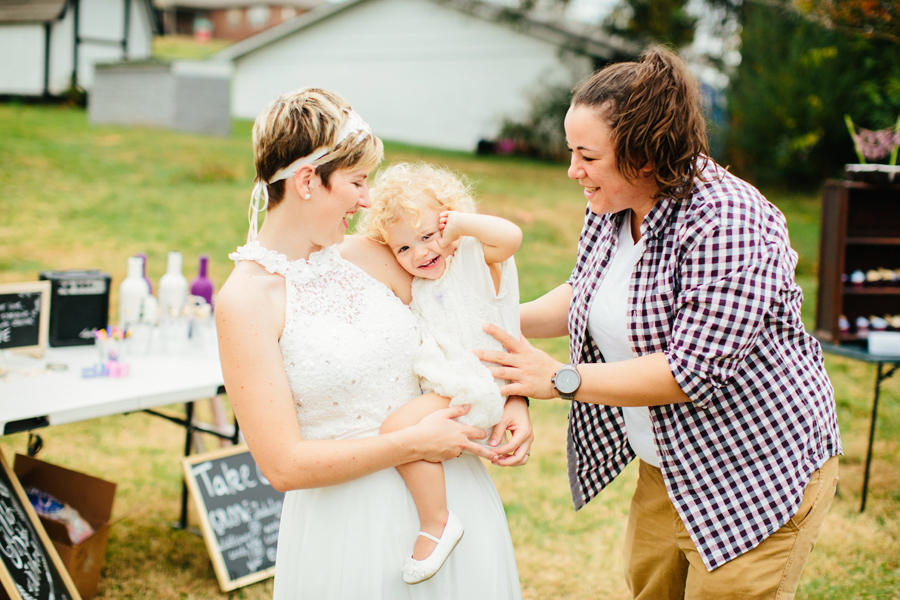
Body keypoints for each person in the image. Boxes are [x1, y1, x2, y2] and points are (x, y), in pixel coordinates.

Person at [475, 46, 842, 599]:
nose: (573, 170)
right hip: (667, 467)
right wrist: (493, 320)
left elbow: (689, 372)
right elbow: (586, 293)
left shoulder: (727, 220)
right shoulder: (614, 202)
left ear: (644, 155)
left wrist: (557, 379)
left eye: (587, 156)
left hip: (755, 471)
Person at [215, 87, 530, 599]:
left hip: (457, 496)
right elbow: (282, 465)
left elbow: (472, 317)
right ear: (307, 181)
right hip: (346, 527)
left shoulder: (378, 255)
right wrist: (410, 443)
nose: (367, 200)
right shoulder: (246, 301)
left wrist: (513, 398)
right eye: (358, 181)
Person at [359, 162, 523, 584]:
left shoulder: (472, 256)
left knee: (398, 429)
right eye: (404, 249)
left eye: (430, 236)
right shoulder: (424, 282)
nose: (421, 254)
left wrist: (463, 225)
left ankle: (437, 521)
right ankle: (436, 517)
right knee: (407, 429)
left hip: (476, 387)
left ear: (449, 223)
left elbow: (511, 237)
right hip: (459, 386)